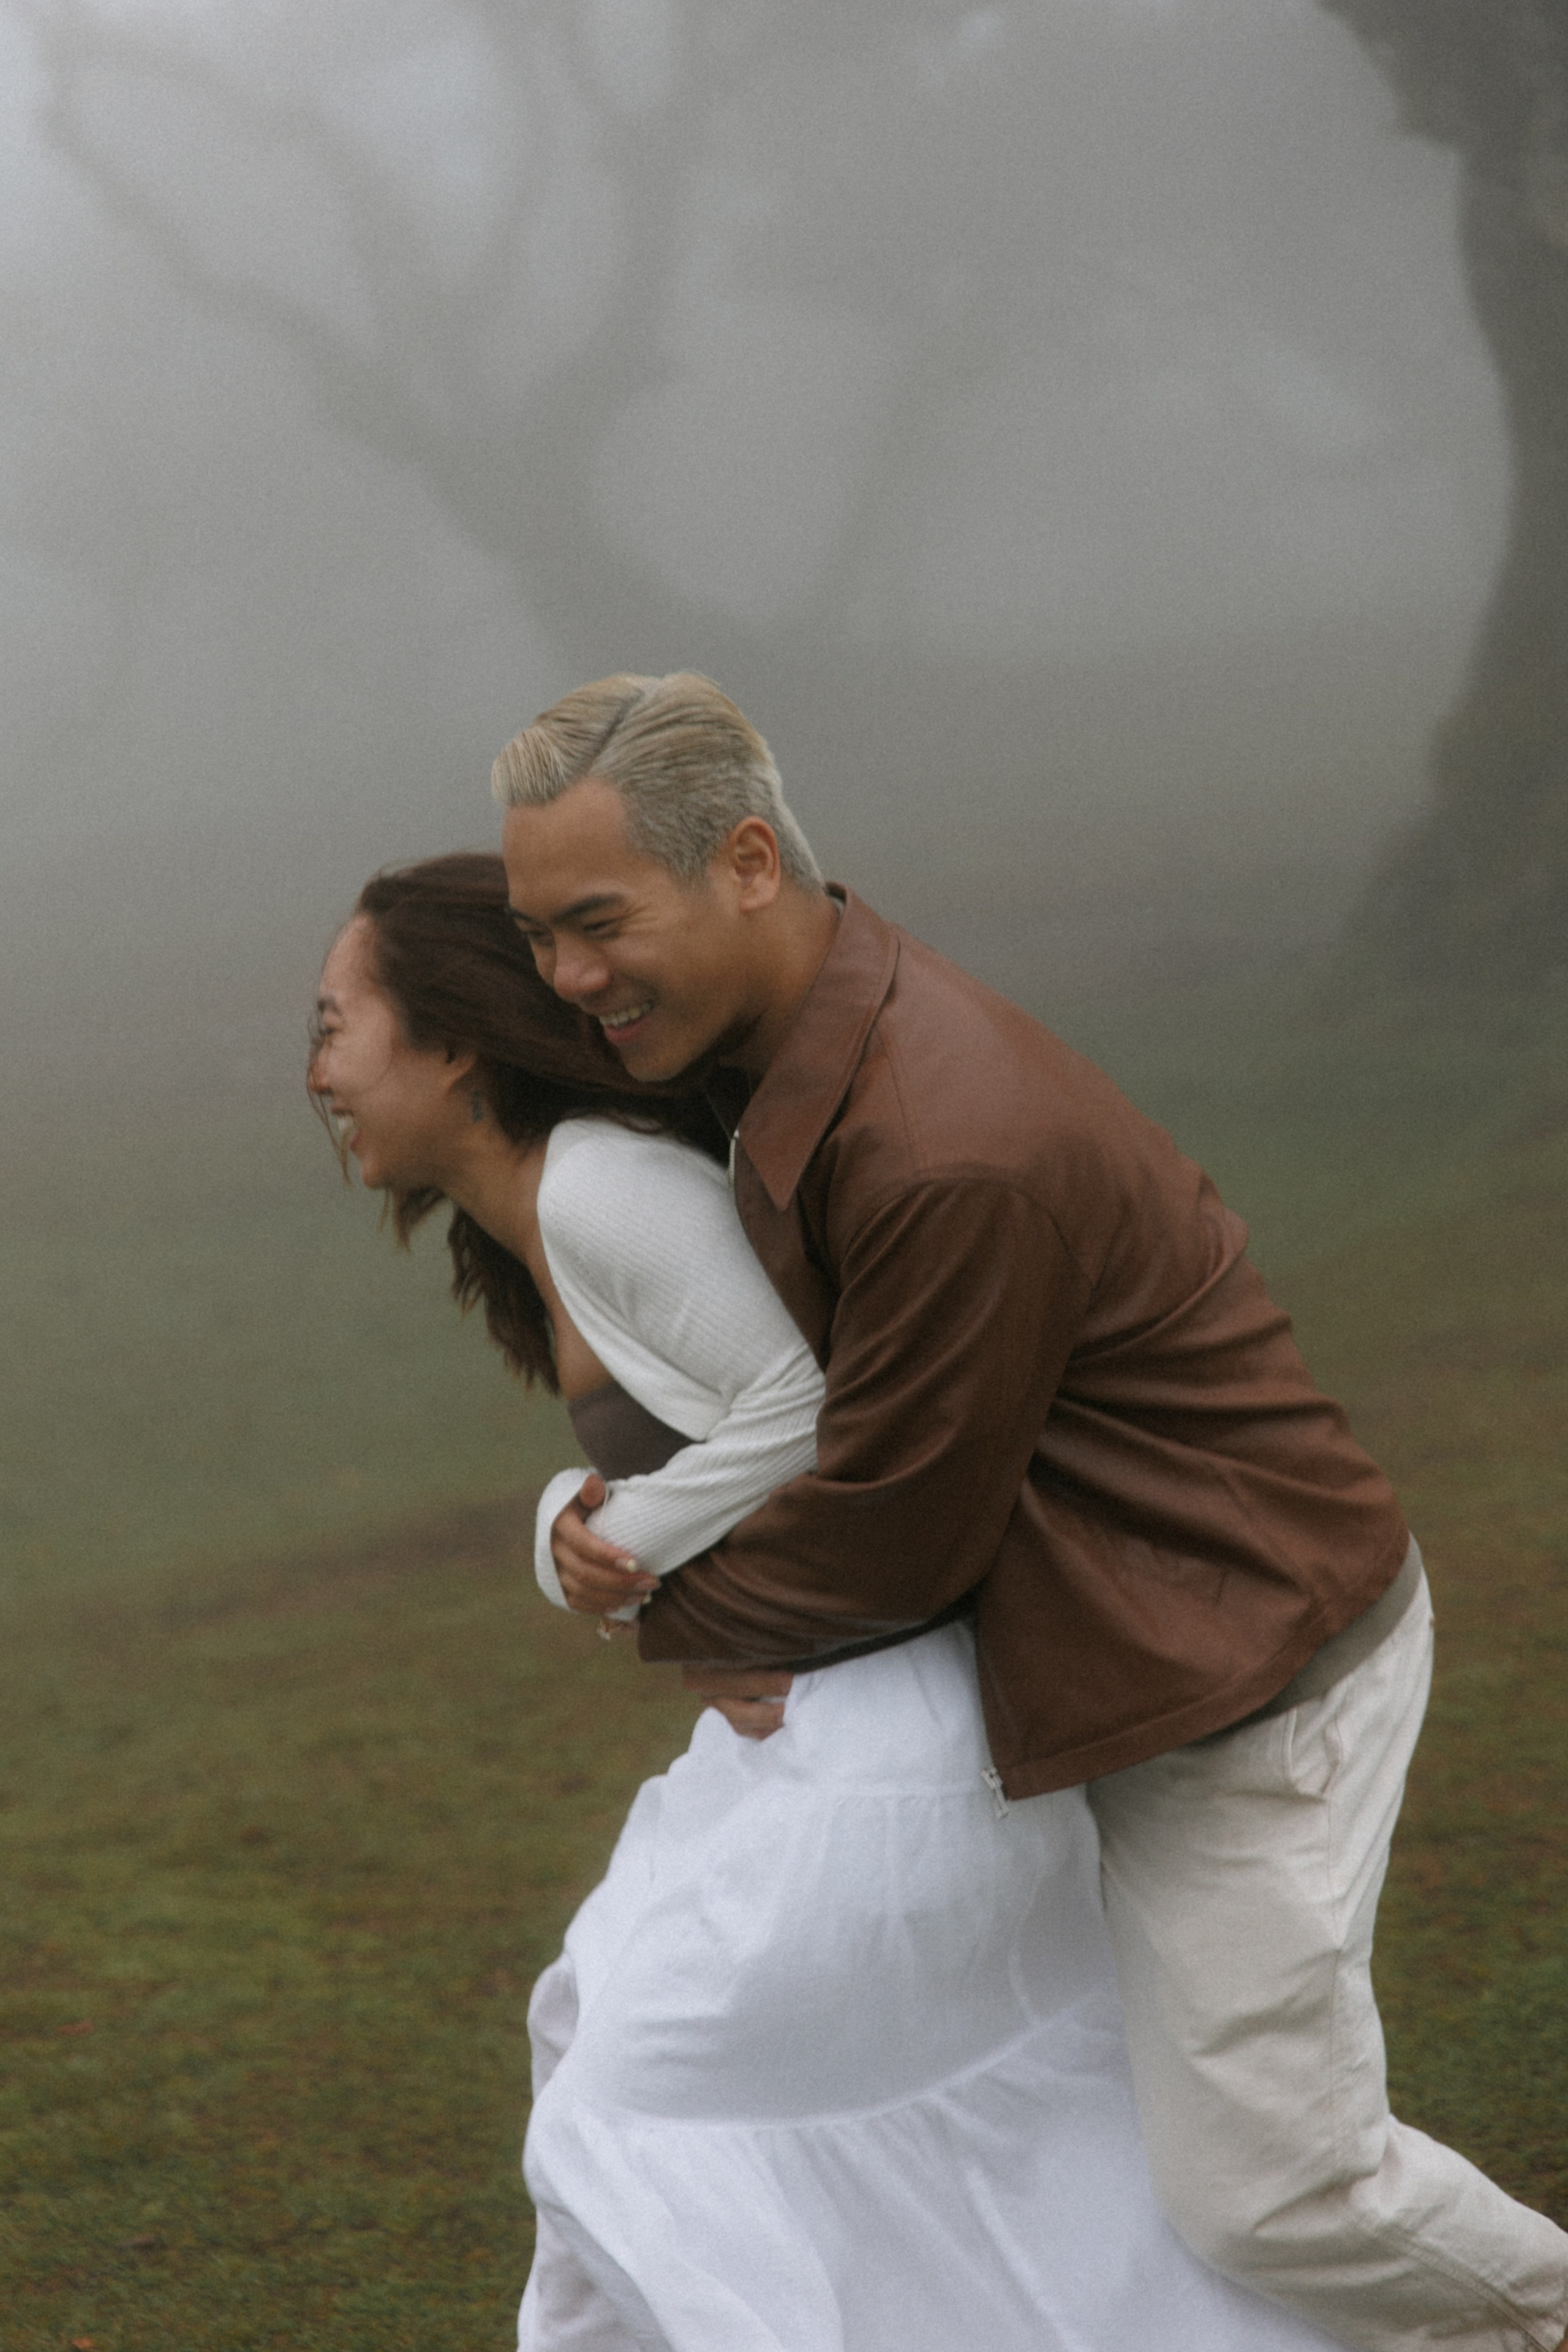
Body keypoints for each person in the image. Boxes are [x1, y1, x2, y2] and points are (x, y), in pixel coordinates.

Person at [496, 671, 1568, 2352]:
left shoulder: (940, 1143)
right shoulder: (763, 1057)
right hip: (1101, 1654)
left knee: (1277, 2192)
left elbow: (894, 1531)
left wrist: (652, 1604)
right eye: (534, 934)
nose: (566, 976)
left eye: (596, 921)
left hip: (1244, 1670)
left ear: (753, 865)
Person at [307, 852, 1349, 2352]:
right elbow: (679, 1449)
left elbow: (806, 1412)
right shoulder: (544, 1214)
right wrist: (568, 1530)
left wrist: (646, 1564)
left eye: (335, 1025)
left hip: (892, 1734)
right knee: (644, 2056)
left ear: (455, 1040)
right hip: (822, 1716)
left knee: (640, 2096)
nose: (317, 1072)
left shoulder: (605, 1185)